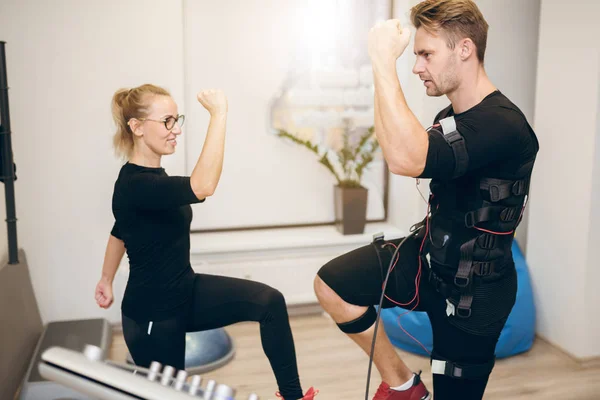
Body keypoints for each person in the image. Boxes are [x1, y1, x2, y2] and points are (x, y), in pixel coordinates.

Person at [314, 1, 539, 399]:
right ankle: (403, 385)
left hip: (474, 294)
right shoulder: (451, 114)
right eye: (416, 55)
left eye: (426, 54)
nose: (417, 66)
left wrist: (383, 62)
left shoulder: (502, 124)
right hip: (430, 262)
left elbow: (406, 158)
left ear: (464, 49)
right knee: (332, 286)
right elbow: (398, 148)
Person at [94, 84, 317, 400]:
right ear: (137, 127)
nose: (176, 130)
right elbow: (203, 185)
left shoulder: (154, 179)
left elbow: (120, 231)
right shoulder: (134, 184)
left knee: (270, 302)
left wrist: (105, 278)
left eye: (177, 119)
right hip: (152, 316)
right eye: (167, 121)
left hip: (185, 291)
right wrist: (219, 114)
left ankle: (293, 397)